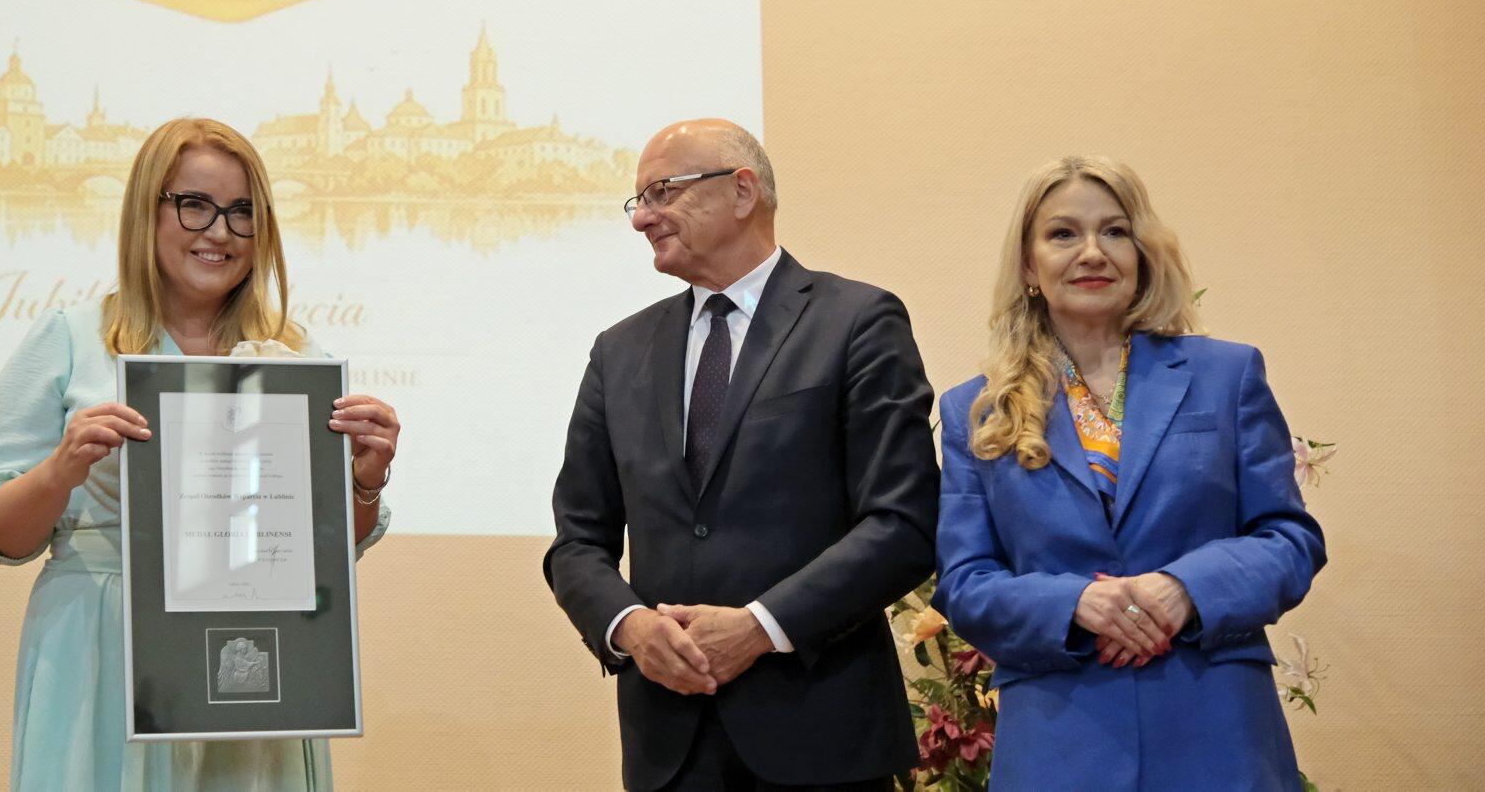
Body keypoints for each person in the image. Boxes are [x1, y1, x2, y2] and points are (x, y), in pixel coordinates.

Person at [0, 118, 401, 790]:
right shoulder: (71, 338)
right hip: (102, 648)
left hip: (253, 646)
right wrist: (60, 470)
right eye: (195, 204)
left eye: (243, 211)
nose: (220, 231)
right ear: (148, 210)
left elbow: (330, 551)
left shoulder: (294, 356)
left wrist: (365, 480)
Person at [545, 119, 938, 790]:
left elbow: (903, 523)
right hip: (670, 743)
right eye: (638, 200)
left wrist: (760, 627)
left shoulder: (857, 323)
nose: (642, 218)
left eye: (663, 192)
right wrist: (630, 627)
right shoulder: (619, 352)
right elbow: (577, 541)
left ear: (742, 190)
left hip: (822, 733)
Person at [932, 155, 1326, 790]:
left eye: (1114, 231)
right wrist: (1075, 603)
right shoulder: (975, 411)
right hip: (1060, 742)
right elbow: (965, 584)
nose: (1092, 252)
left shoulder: (1227, 375)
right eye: (1063, 233)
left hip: (1217, 728)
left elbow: (1290, 540)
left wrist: (1184, 588)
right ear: (1029, 266)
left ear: (1141, 253)